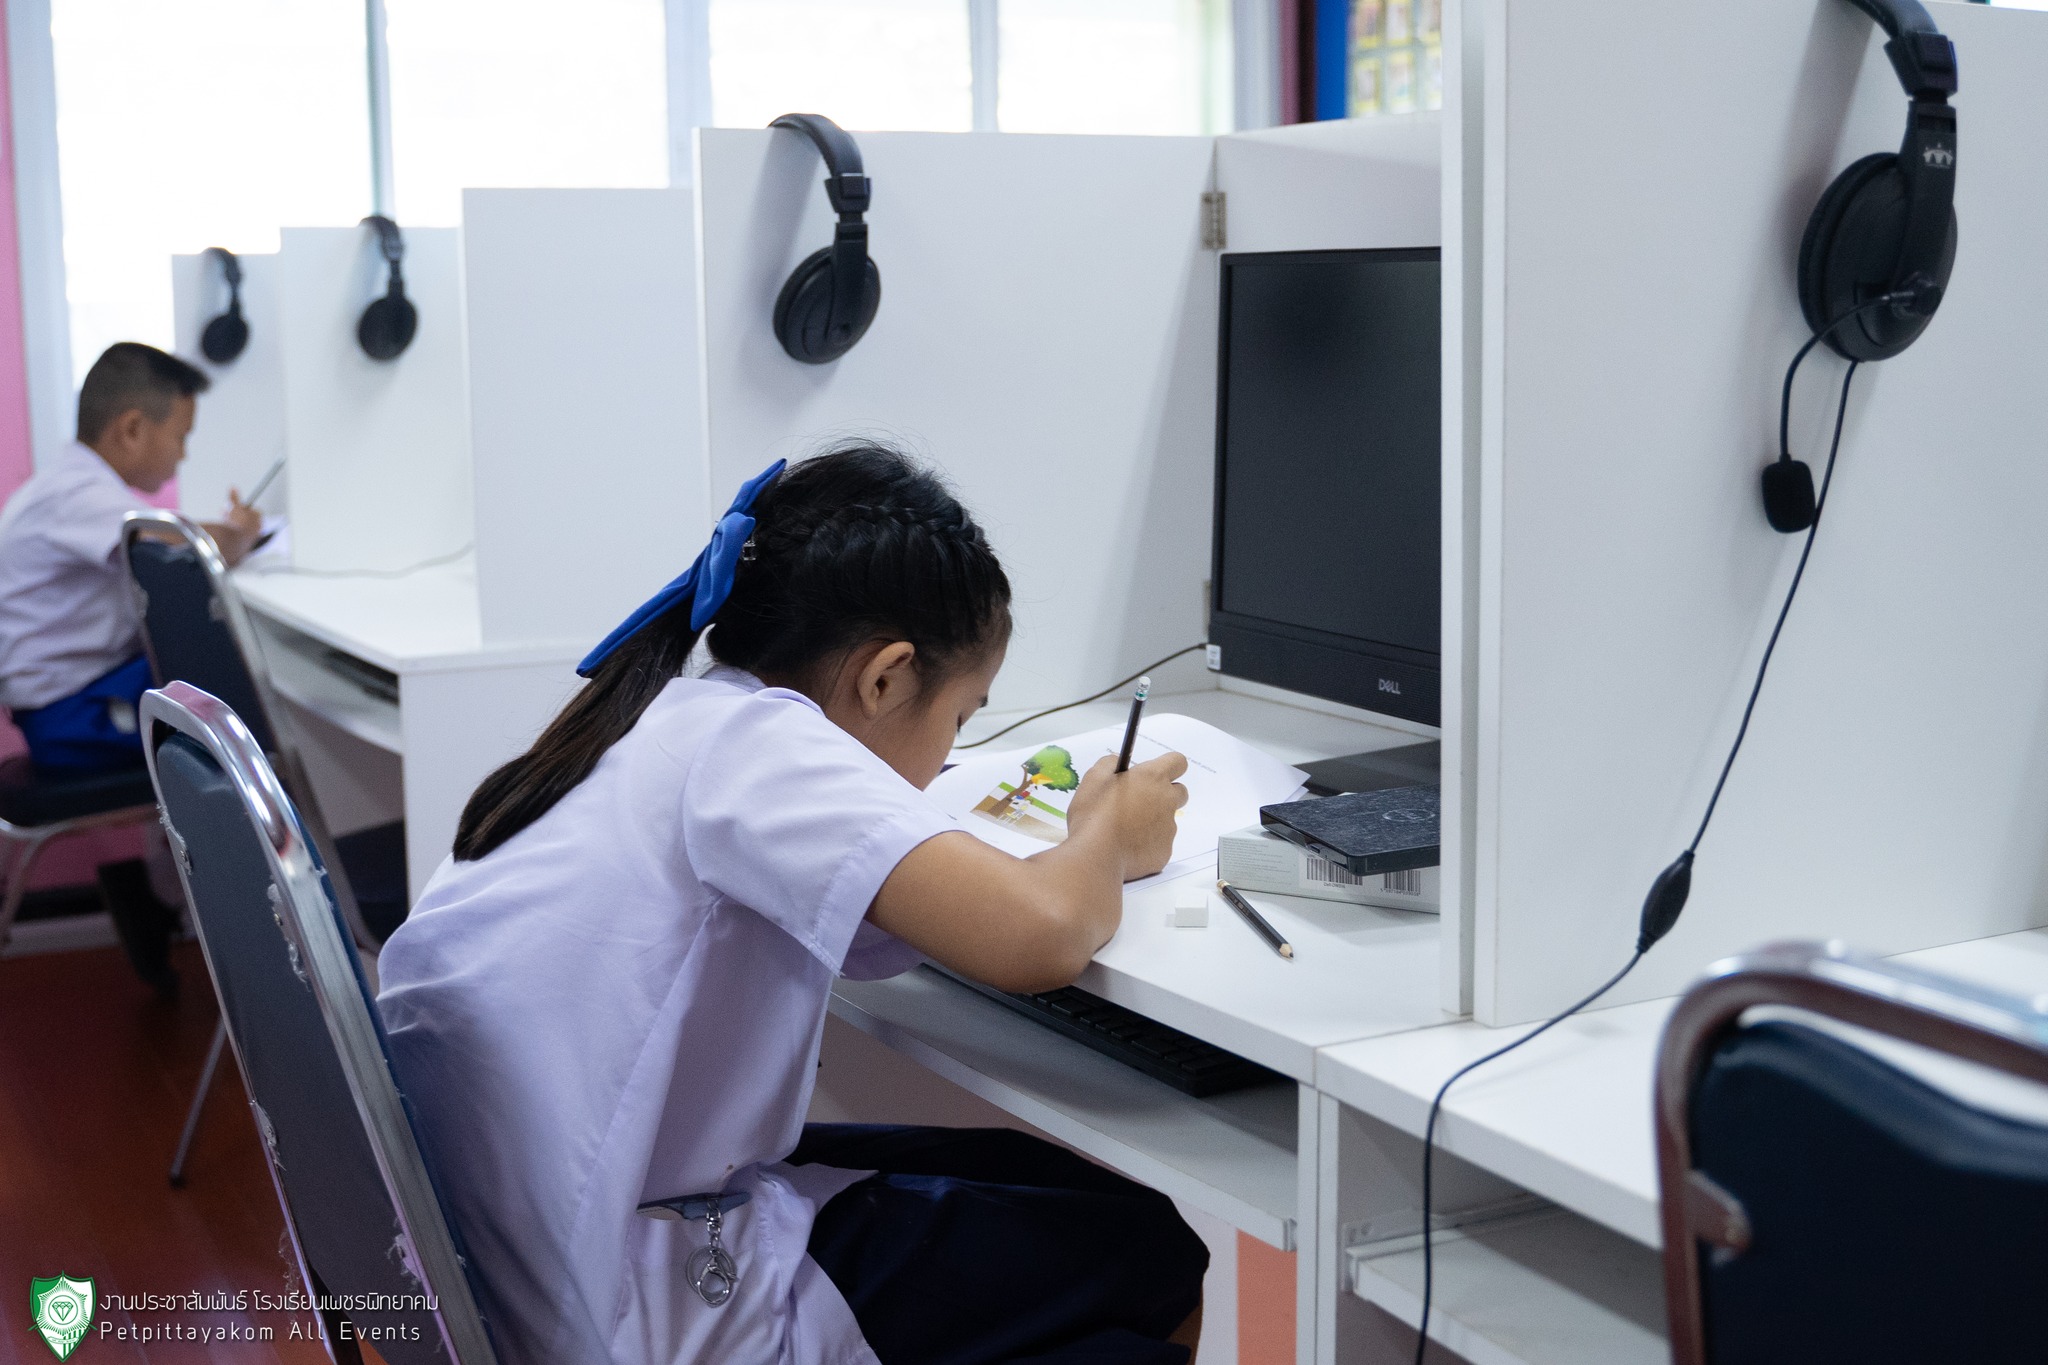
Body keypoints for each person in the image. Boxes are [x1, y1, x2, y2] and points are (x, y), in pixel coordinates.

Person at [377, 447, 1208, 1365]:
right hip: (624, 1305)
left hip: (511, 1262)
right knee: (1154, 1255)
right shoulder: (761, 744)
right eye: (960, 718)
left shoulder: (664, 715)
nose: (947, 753)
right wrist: (1108, 832)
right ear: (885, 678)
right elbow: (1039, 934)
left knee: (1044, 1182)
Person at [0, 341, 261, 994]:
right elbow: (177, 542)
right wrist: (237, 534)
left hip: (72, 701)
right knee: (232, 725)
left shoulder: (70, 488)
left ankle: (157, 893)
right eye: (181, 436)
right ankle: (190, 908)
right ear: (133, 428)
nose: (183, 455)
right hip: (69, 719)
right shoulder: (77, 494)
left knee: (204, 697)